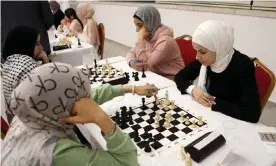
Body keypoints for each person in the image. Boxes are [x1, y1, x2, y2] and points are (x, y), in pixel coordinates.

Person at [1, 63, 138, 166]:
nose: (84, 101)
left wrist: (130, 88)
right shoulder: (58, 152)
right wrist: (101, 117)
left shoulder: (30, 114)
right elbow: (127, 162)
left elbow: (86, 98)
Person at [174, 20, 260, 123]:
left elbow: (252, 113)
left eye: (202, 52)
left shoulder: (243, 65)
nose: (197, 57)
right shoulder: (204, 60)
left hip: (231, 122)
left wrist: (212, 101)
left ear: (218, 47)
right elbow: (179, 77)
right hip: (208, 116)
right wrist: (193, 90)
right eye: (195, 51)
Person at [2, 26, 50, 124]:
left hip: (18, 122)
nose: (41, 48)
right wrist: (46, 60)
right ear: (25, 45)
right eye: (37, 44)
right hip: (33, 124)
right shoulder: (26, 63)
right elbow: (50, 90)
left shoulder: (10, 62)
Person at [126, 5, 184, 80]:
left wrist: (140, 40)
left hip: (173, 79)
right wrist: (132, 63)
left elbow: (145, 64)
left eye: (140, 25)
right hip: (155, 75)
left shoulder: (166, 41)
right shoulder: (147, 36)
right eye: (136, 25)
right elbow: (131, 53)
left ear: (150, 23)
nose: (137, 30)